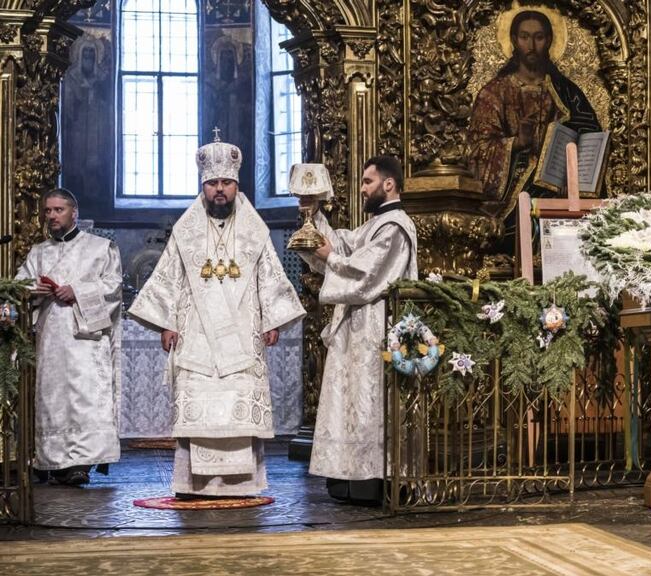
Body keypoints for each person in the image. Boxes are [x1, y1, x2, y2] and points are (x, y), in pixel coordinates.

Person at [128, 132, 304, 498]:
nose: (219, 190)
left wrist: (272, 320)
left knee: (238, 403)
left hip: (243, 332)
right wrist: (167, 324)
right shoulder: (186, 231)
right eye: (212, 183)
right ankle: (193, 484)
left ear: (236, 185)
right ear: (203, 186)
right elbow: (169, 278)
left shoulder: (255, 231)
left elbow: (269, 276)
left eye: (226, 182)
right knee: (199, 406)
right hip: (197, 336)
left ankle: (243, 484)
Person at [299, 156, 418, 505]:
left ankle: (375, 480)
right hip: (356, 327)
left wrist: (330, 257)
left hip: (378, 328)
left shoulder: (396, 227)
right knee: (350, 402)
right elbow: (343, 244)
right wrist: (313, 216)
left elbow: (366, 273)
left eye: (368, 182)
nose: (363, 189)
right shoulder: (374, 225)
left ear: (389, 184)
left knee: (371, 404)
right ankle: (347, 476)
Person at [466, 9, 601, 250]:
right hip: (512, 195)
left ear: (549, 41)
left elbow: (591, 137)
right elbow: (477, 150)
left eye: (538, 37)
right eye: (524, 37)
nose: (531, 45)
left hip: (559, 190)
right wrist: (517, 143)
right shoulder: (494, 93)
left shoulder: (567, 92)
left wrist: (573, 173)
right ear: (514, 40)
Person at [15, 188, 122, 486]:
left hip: (86, 340)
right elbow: (21, 284)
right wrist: (33, 289)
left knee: (85, 397)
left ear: (74, 213)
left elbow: (113, 287)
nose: (51, 216)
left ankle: (82, 464)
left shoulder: (101, 248)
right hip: (51, 338)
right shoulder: (39, 252)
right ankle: (54, 461)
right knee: (54, 399)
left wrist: (77, 291)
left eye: (58, 210)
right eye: (47, 211)